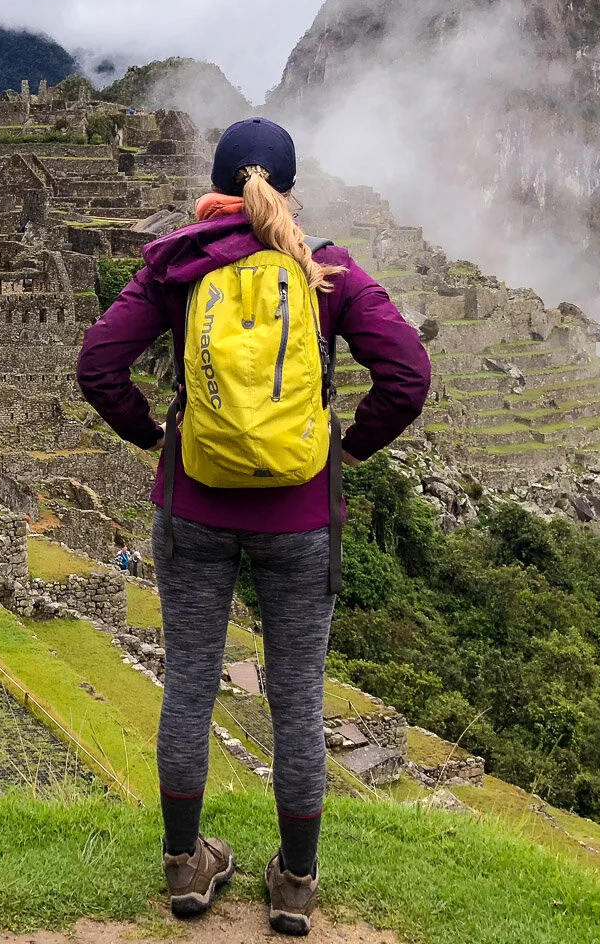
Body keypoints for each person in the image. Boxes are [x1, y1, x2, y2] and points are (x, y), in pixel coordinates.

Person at [75, 117, 428, 934]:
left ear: (218, 183)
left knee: (190, 684)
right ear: (289, 189)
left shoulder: (177, 265)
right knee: (299, 699)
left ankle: (185, 867)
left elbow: (99, 365)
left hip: (193, 508)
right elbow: (407, 375)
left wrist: (155, 434)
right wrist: (345, 445)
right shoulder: (324, 269)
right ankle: (295, 883)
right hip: (301, 520)